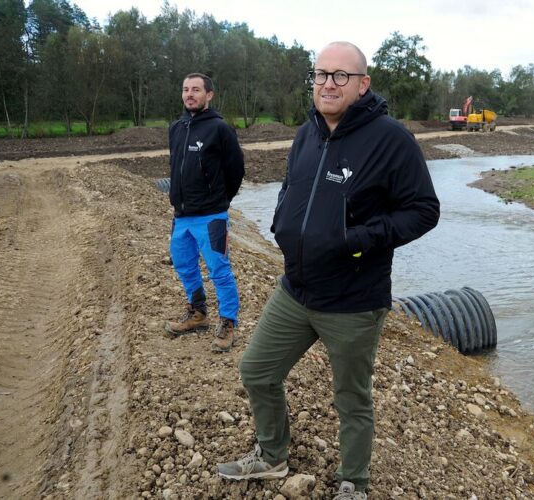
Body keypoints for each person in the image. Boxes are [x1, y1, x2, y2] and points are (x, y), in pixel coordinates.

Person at [216, 42, 440, 498]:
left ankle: (354, 483)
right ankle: (272, 457)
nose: (329, 84)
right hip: (296, 290)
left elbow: (424, 210)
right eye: (321, 74)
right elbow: (292, 187)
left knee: (351, 399)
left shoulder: (391, 139)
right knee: (257, 370)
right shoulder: (308, 132)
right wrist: (281, 222)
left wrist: (358, 239)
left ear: (363, 84)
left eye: (341, 75)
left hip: (353, 301)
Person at [164, 72, 245, 353]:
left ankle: (228, 323)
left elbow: (236, 171)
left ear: (209, 95)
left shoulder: (220, 129)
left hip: (211, 216)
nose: (190, 94)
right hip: (181, 215)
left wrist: (220, 201)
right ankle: (198, 313)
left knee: (219, 270)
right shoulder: (176, 128)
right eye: (186, 89)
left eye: (196, 89)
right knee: (183, 264)